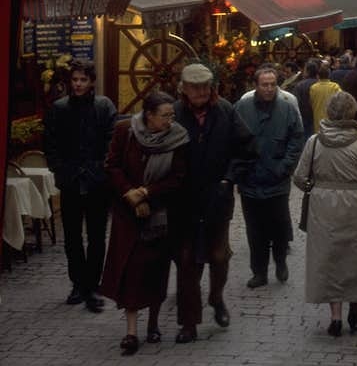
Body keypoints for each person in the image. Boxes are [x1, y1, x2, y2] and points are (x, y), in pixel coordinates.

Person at [293, 91, 357, 337]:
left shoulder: (314, 141)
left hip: (322, 205)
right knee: (354, 256)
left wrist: (315, 187)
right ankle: (354, 311)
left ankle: (335, 317)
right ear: (352, 112)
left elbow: (300, 177)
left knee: (328, 258)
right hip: (354, 205)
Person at [171, 62, 256, 343]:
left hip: (217, 197)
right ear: (184, 89)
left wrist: (229, 179)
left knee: (218, 255)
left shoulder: (225, 111)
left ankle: (216, 297)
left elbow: (246, 148)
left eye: (205, 87)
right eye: (195, 88)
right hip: (183, 199)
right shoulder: (173, 114)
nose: (201, 92)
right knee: (186, 261)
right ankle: (189, 322)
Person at [100, 91, 189, 355]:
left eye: (172, 115)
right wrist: (131, 194)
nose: (170, 121)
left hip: (160, 214)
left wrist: (148, 193)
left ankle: (153, 323)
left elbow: (178, 177)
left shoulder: (178, 138)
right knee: (131, 272)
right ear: (148, 116)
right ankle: (131, 332)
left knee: (155, 269)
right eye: (165, 116)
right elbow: (112, 165)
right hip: (128, 213)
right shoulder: (125, 130)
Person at [44, 60, 116, 313]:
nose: (78, 84)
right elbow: (50, 144)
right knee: (72, 237)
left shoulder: (104, 106)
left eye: (83, 80)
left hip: (97, 181)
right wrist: (61, 170)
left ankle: (93, 285)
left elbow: (111, 141)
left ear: (91, 81)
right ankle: (77, 283)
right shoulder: (59, 108)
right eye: (75, 79)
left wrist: (100, 170)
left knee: (96, 236)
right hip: (71, 180)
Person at [233, 63, 304, 288]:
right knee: (255, 231)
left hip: (277, 180)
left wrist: (285, 166)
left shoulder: (287, 107)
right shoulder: (242, 107)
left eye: (273, 84)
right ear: (256, 86)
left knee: (280, 227)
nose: (269, 89)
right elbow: (232, 139)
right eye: (264, 85)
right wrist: (239, 168)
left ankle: (280, 261)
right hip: (250, 180)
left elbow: (296, 138)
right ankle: (259, 272)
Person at [293, 58, 320, 143]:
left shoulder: (300, 85)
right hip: (318, 116)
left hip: (304, 117)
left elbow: (296, 103)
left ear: (307, 71)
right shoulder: (319, 84)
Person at [309, 64, 340, 132]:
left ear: (318, 76)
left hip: (318, 119)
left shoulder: (313, 87)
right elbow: (340, 101)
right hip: (331, 119)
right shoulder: (335, 86)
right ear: (329, 75)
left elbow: (311, 102)